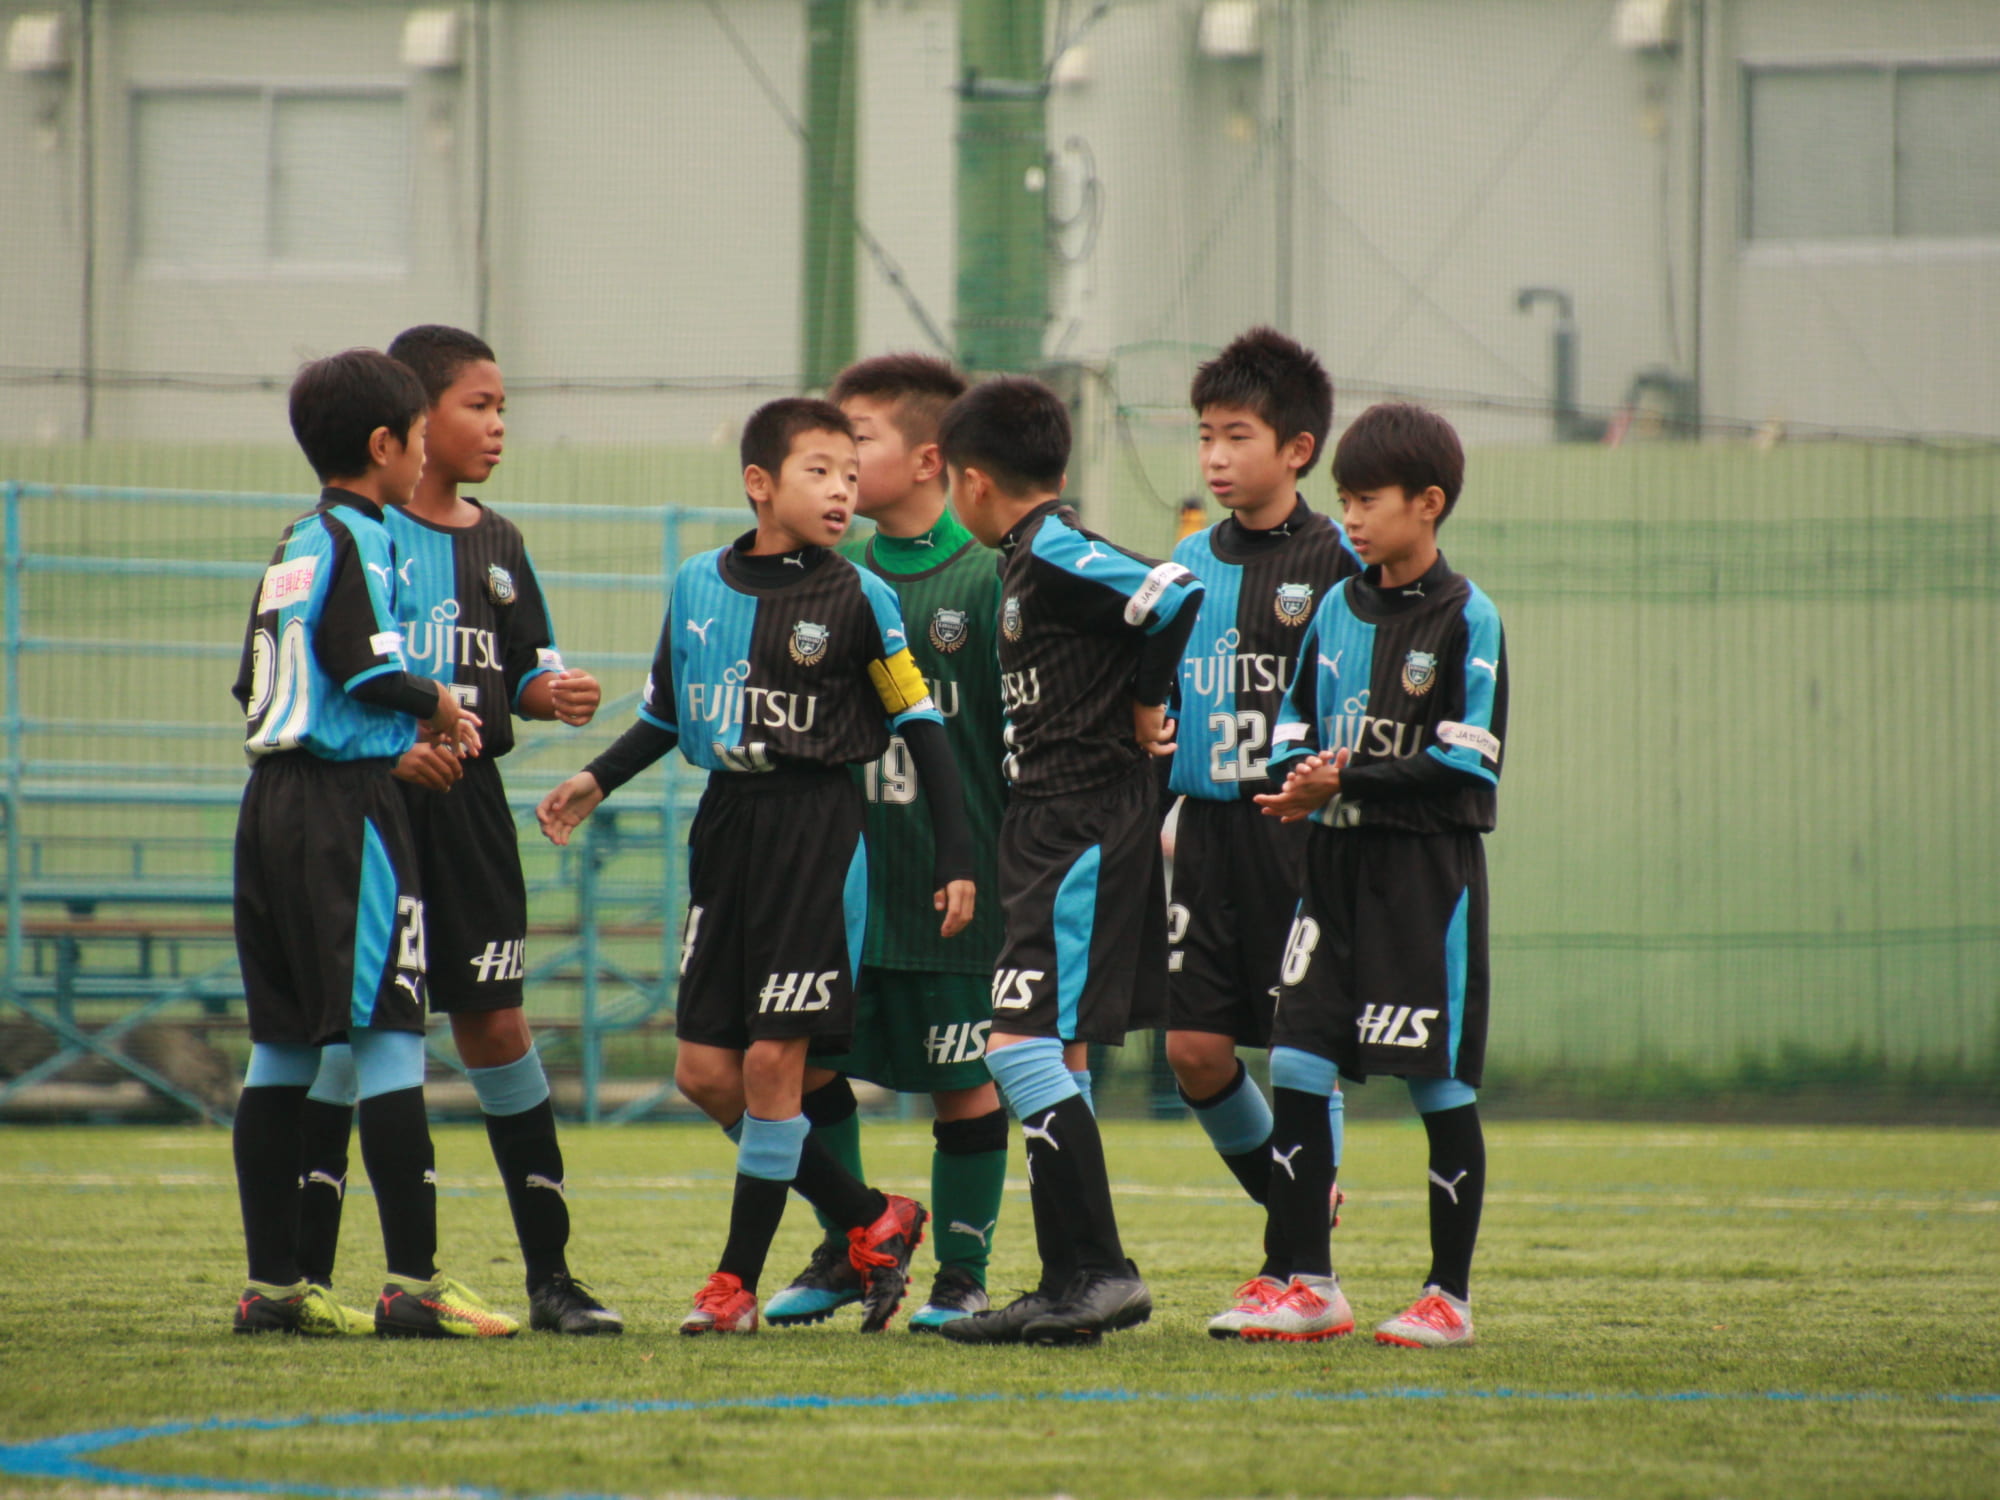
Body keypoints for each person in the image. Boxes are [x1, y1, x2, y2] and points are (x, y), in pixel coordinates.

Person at [534, 397, 976, 1336]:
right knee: (706, 1074)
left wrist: (958, 853)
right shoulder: (697, 582)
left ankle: (731, 1286)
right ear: (760, 483)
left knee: (776, 1063)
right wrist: (595, 780)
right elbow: (664, 711)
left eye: (852, 475)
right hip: (727, 827)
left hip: (817, 830)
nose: (843, 490)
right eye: (822, 470)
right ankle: (870, 1217)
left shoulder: (861, 597)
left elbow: (920, 723)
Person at [293, 326, 621, 1336]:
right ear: (411, 421)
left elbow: (518, 666)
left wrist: (548, 689)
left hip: (471, 808)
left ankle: (552, 1280)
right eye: (480, 405)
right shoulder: (359, 537)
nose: (498, 425)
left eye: (503, 408)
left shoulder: (500, 543)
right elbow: (322, 676)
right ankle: (303, 1276)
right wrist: (390, 752)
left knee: (498, 1027)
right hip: (379, 808)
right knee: (357, 1038)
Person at [229, 348, 515, 1339]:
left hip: (270, 804)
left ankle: (276, 1286)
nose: (428, 455)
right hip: (347, 820)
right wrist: (438, 705)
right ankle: (415, 1286)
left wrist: (380, 742)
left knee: (278, 1049)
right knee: (391, 1032)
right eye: (421, 439)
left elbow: (258, 687)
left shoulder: (294, 541)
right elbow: (359, 665)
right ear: (385, 446)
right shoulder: (360, 537)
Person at [933, 376, 1204, 1347]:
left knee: (1013, 1047)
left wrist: (1144, 700)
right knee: (1059, 1049)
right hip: (1050, 823)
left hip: (1080, 820)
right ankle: (1068, 1286)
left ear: (970, 482)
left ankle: (1095, 1272)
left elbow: (1171, 590)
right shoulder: (1020, 559)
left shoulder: (1048, 544)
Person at [761, 355, 1012, 1334]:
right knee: (812, 1070)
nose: (835, 461)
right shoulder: (825, 579)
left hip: (954, 884)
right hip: (838, 885)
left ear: (926, 458)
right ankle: (848, 1243)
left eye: (855, 439)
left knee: (963, 1083)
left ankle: (961, 1273)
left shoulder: (986, 578)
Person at [1253, 402, 1507, 1347]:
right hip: (1334, 874)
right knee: (1295, 1061)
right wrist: (1297, 776)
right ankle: (1309, 1284)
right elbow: (1292, 723)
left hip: (1425, 882)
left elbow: (1468, 761)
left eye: (1368, 500)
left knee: (1438, 1086)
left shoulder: (1467, 617)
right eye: (1343, 500)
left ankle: (1450, 1297)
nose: (1350, 518)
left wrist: (1345, 775)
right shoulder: (1334, 608)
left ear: (1428, 504)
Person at [1159, 328, 1362, 1340]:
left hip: (1301, 841)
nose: (1213, 457)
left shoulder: (1338, 564)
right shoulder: (1186, 563)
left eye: (1235, 435)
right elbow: (1149, 698)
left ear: (1297, 447)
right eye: (1203, 436)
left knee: (1297, 1049)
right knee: (1193, 1049)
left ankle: (1302, 1275)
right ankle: (1299, 1213)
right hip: (1204, 834)